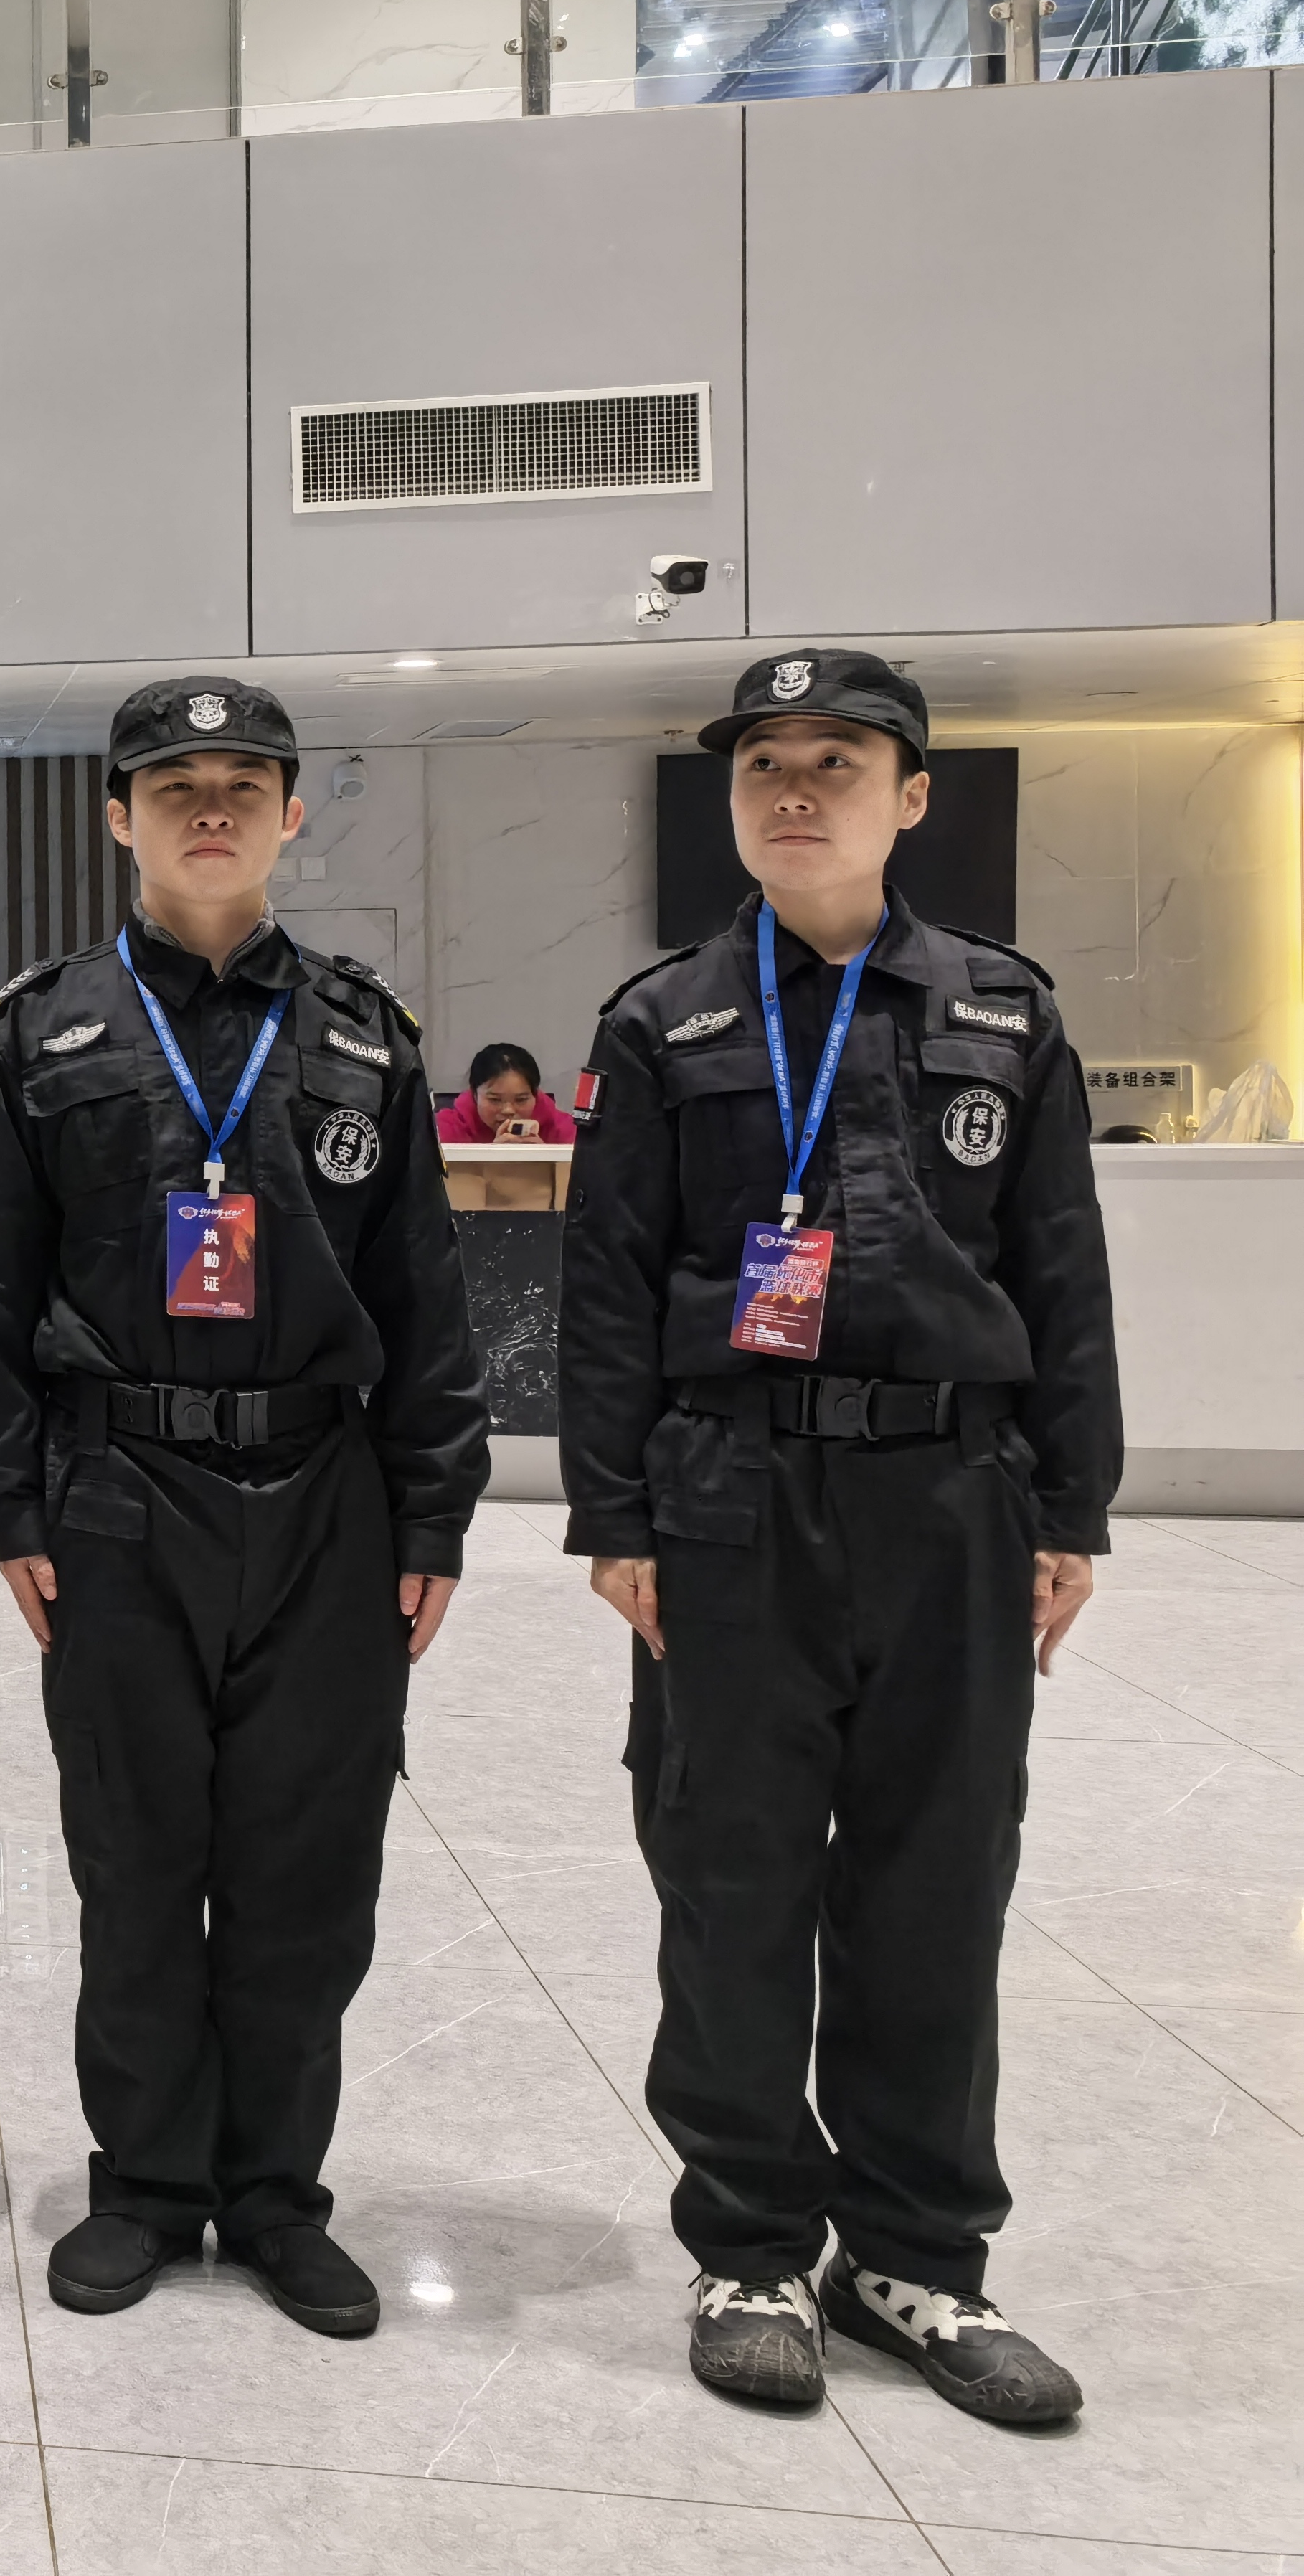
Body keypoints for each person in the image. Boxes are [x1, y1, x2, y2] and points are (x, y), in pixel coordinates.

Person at [560, 648, 1112, 2428]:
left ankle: (913, 2260)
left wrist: (1071, 1508)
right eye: (763, 765)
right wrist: (613, 1514)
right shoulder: (662, 1023)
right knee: (731, 1882)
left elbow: (1060, 1271)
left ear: (910, 797)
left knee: (935, 1882)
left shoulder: (1003, 1014)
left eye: (835, 762)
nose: (792, 791)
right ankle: (746, 2247)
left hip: (951, 1498)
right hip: (729, 1497)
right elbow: (604, 1284)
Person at [0, 675, 488, 2337]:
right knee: (133, 1863)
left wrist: (431, 1515)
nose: (207, 809)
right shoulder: (39, 1032)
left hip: (324, 1498)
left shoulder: (360, 1035)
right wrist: (13, 1505)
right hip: (116, 1493)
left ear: (288, 814)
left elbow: (422, 1293)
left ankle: (268, 2196)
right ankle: (141, 2186)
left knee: (303, 1873)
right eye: (171, 784)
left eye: (239, 785)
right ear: (116, 815)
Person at [435, 1043, 575, 1145]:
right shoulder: (444, 1130)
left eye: (521, 1100)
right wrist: (492, 1158)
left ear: (535, 1095)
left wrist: (548, 1159)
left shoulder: (565, 1130)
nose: (508, 1110)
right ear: (475, 1095)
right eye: (495, 1100)